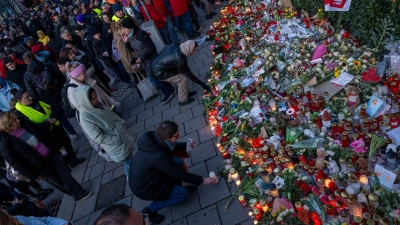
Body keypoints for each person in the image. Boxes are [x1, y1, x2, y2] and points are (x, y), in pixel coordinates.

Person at [129, 121, 217, 224]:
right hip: (147, 188)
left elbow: (169, 146)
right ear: (167, 138)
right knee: (183, 194)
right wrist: (202, 180)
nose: (178, 136)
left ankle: (176, 189)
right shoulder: (158, 156)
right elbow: (178, 174)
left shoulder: (155, 137)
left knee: (178, 162)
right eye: (176, 136)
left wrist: (186, 145)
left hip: (152, 176)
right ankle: (150, 210)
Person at [0, 111, 91, 202]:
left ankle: (79, 193)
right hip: (40, 167)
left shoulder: (25, 123)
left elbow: (43, 134)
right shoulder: (5, 143)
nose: (18, 120)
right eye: (14, 120)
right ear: (8, 125)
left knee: (65, 176)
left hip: (51, 154)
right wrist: (34, 175)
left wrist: (58, 145)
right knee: (59, 182)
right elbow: (17, 163)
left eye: (16, 118)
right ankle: (75, 194)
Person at [12, 89, 86, 169]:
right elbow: (31, 126)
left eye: (29, 95)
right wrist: (47, 124)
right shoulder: (19, 113)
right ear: (20, 101)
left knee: (66, 141)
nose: (30, 98)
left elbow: (51, 107)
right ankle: (67, 163)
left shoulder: (36, 99)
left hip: (55, 125)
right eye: (27, 97)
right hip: (45, 133)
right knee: (58, 147)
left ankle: (73, 159)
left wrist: (54, 116)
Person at [72, 86, 135, 176]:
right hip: (115, 143)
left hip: (120, 136)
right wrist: (116, 140)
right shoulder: (86, 118)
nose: (96, 99)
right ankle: (135, 179)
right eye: (93, 99)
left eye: (96, 96)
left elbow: (111, 114)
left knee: (129, 159)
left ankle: (132, 177)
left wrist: (121, 122)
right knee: (130, 161)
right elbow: (97, 137)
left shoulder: (97, 105)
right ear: (85, 101)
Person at [120, 18, 176, 104]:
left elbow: (151, 48)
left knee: (153, 78)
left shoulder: (141, 34)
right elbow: (132, 50)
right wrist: (126, 43)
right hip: (146, 62)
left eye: (124, 28)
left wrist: (142, 58)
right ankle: (170, 90)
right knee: (156, 78)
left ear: (129, 26)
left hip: (152, 60)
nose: (123, 30)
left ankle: (168, 92)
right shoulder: (131, 36)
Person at [152, 40, 212, 106]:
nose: (194, 52)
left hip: (156, 65)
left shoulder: (177, 45)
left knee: (181, 76)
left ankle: (185, 93)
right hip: (159, 73)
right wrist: (201, 83)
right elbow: (189, 74)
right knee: (182, 80)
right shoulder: (180, 58)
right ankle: (182, 100)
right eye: (193, 50)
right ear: (189, 49)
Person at [0, 209, 69, 225]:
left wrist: (61, 223)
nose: (12, 222)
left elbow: (45, 220)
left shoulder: (18, 219)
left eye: (9, 217)